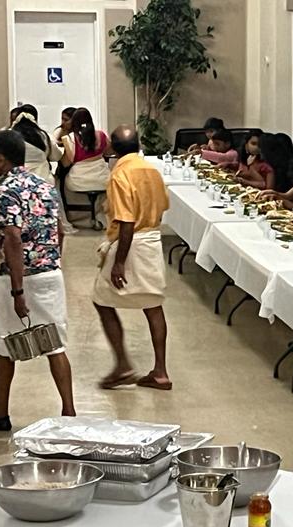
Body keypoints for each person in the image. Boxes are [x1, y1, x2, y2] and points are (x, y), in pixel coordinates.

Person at [0, 129, 74, 429]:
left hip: (18, 278)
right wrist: (50, 262)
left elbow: (13, 239)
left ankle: (0, 413)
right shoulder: (45, 186)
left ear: (1, 159)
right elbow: (60, 231)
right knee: (55, 345)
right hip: (50, 274)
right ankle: (69, 413)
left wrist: (18, 291)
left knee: (4, 344)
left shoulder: (6, 191)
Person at [92, 125, 171, 391]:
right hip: (152, 240)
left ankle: (123, 365)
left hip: (130, 242)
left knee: (102, 300)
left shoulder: (120, 174)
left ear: (113, 148)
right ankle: (160, 371)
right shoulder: (152, 170)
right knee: (153, 304)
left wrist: (119, 262)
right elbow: (162, 206)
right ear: (138, 145)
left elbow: (126, 221)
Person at [60, 108, 111, 211]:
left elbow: (66, 163)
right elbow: (108, 152)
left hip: (78, 182)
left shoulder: (69, 139)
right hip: (104, 180)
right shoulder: (102, 135)